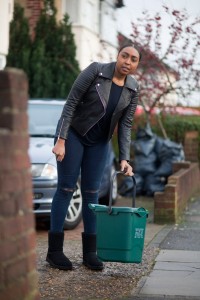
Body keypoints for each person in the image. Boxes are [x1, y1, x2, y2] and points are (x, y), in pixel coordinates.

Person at [46, 44, 141, 271]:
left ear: (137, 64)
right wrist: (61, 139)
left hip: (99, 143)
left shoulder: (133, 88)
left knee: (92, 193)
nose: (127, 62)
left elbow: (126, 125)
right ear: (118, 57)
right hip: (74, 135)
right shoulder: (96, 71)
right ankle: (54, 252)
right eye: (124, 56)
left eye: (133, 59)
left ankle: (90, 253)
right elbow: (70, 103)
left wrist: (124, 159)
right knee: (66, 188)